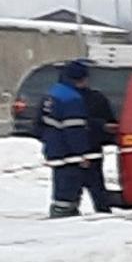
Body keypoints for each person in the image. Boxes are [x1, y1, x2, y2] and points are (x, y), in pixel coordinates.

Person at [41, 61, 108, 217]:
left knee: (61, 190)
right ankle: (63, 219)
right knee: (68, 191)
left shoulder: (52, 94)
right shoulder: (72, 99)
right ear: (80, 79)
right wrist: (82, 155)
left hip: (55, 151)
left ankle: (60, 212)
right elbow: (74, 131)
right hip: (69, 155)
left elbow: (39, 125)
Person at [78, 77, 119, 214]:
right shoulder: (94, 98)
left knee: (92, 184)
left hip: (83, 147)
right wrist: (103, 127)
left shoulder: (95, 98)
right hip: (88, 146)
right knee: (94, 184)